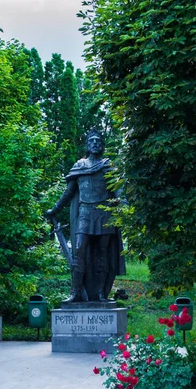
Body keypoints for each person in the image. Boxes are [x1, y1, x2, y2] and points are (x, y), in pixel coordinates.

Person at [46, 129, 125, 302]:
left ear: (102, 145)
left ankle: (101, 293)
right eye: (92, 141)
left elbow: (117, 190)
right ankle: (75, 293)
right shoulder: (79, 166)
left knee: (103, 254)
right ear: (87, 146)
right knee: (79, 251)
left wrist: (124, 205)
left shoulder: (107, 165)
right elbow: (68, 193)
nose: (95, 143)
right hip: (85, 213)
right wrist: (54, 210)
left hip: (105, 213)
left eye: (98, 141)